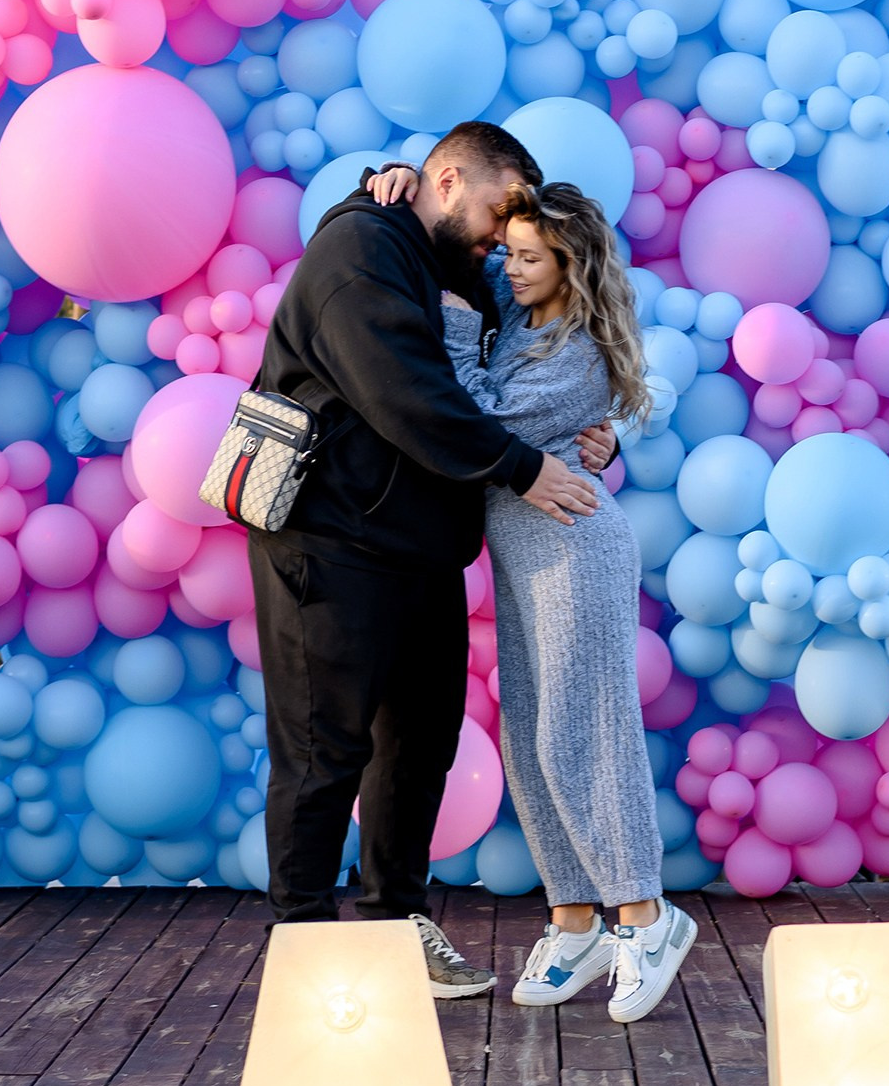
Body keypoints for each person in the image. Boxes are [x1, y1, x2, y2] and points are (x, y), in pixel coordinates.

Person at [246, 119, 605, 998]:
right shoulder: (360, 250)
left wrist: (584, 434)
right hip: (327, 544)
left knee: (417, 748)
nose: (499, 236)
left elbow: (512, 381)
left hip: (422, 549)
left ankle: (398, 929)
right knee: (321, 748)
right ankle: (304, 954)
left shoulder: (454, 264)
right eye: (491, 207)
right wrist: (526, 470)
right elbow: (405, 391)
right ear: (444, 182)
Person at [372, 163, 697, 1025]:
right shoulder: (521, 312)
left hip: (573, 547)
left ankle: (644, 914)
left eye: (528, 258)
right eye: (509, 252)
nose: (509, 269)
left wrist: (449, 340)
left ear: (570, 265)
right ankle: (574, 919)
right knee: (528, 735)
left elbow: (482, 427)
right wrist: (392, 178)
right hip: (522, 553)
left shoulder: (579, 349)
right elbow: (455, 242)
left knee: (583, 729)